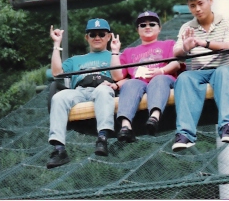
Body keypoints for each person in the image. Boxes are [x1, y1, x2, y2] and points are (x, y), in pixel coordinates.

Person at [171, 0, 229, 152]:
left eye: (200, 3)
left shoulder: (226, 21)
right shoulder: (187, 28)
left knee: (223, 72)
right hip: (199, 73)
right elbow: (177, 53)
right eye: (192, 5)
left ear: (210, 1)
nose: (197, 9)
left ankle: (227, 125)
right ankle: (185, 134)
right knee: (184, 78)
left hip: (223, 68)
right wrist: (186, 48)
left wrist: (205, 43)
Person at [47, 18, 122, 169]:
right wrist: (56, 45)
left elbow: (123, 76)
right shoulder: (76, 60)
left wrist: (115, 84)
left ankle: (102, 138)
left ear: (109, 36)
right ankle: (59, 148)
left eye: (101, 34)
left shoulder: (116, 56)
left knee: (103, 90)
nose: (97, 38)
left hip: (104, 87)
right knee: (59, 97)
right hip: (80, 91)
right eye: (93, 34)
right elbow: (56, 72)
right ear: (86, 37)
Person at [112, 11, 181, 141]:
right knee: (130, 84)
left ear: (159, 28)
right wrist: (115, 52)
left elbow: (176, 63)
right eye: (143, 25)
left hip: (162, 79)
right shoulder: (129, 52)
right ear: (138, 30)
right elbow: (118, 76)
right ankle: (126, 126)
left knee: (158, 80)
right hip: (139, 83)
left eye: (152, 24)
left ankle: (154, 117)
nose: (147, 27)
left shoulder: (168, 44)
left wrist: (161, 71)